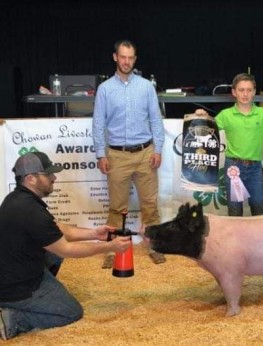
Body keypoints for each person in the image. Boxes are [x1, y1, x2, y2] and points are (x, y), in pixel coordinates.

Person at [0, 152, 131, 340]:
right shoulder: (30, 211)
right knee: (70, 311)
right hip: (15, 287)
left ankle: (37, 294)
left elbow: (57, 229)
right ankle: (12, 319)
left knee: (53, 251)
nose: (54, 178)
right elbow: (66, 249)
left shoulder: (18, 199)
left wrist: (96, 234)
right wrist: (109, 247)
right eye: (48, 175)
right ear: (31, 179)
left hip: (13, 269)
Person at [92, 39, 166, 266]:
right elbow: (98, 123)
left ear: (135, 59)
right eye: (122, 57)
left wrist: (159, 149)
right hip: (117, 155)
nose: (126, 61)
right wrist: (100, 154)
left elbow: (156, 120)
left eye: (130, 57)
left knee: (150, 204)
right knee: (117, 207)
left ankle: (154, 245)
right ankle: (113, 250)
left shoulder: (145, 87)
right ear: (115, 57)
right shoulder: (105, 90)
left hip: (145, 153)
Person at [196, 73, 263, 216]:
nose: (245, 94)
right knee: (235, 210)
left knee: (259, 208)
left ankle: (258, 238)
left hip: (255, 169)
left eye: (249, 90)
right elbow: (207, 127)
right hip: (234, 168)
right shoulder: (225, 115)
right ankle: (237, 239)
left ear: (254, 92)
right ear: (234, 92)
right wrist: (201, 115)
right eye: (241, 90)